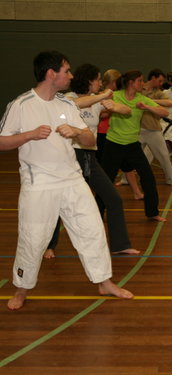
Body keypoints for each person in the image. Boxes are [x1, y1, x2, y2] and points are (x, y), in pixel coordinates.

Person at [0, 50, 133, 310]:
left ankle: (104, 281)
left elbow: (90, 140)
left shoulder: (66, 104)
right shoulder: (22, 104)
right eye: (67, 70)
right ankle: (22, 289)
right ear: (51, 74)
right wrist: (28, 135)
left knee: (92, 229)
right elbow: (2, 141)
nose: (71, 76)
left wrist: (77, 132)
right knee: (33, 237)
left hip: (72, 180)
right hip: (39, 183)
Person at [43, 63, 139, 259]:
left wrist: (116, 107)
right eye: (97, 80)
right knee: (59, 202)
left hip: (89, 157)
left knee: (113, 198)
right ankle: (49, 245)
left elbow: (126, 110)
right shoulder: (67, 98)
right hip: (69, 157)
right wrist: (104, 96)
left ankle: (120, 244)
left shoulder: (96, 102)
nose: (100, 83)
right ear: (88, 81)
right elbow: (77, 104)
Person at [101, 70, 169, 222]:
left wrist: (146, 107)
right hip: (113, 145)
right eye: (140, 80)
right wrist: (110, 108)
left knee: (148, 178)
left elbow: (165, 112)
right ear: (131, 82)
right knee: (106, 181)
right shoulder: (115, 95)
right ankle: (98, 213)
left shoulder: (141, 99)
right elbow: (101, 113)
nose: (142, 83)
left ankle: (152, 212)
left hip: (133, 146)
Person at [140, 68, 172, 186]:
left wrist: (150, 101)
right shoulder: (139, 88)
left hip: (154, 130)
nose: (161, 84)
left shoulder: (158, 92)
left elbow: (169, 103)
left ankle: (170, 179)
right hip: (137, 129)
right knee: (131, 156)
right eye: (159, 81)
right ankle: (125, 180)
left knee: (164, 156)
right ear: (153, 78)